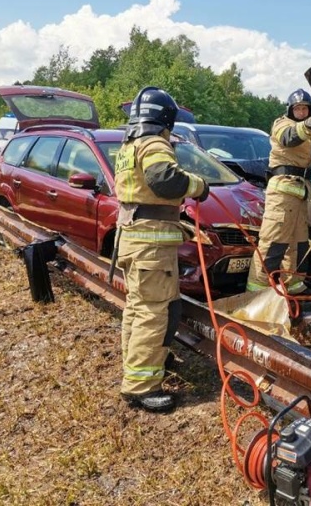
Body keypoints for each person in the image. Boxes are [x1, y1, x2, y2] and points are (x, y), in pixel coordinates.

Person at [113, 86, 210, 413]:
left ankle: (145, 361)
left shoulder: (129, 146)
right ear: (165, 119)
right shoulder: (155, 143)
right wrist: (197, 186)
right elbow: (164, 179)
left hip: (133, 239)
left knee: (139, 308)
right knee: (152, 312)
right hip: (149, 247)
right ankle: (140, 386)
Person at [246, 88, 311, 295]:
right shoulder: (282, 124)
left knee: (298, 244)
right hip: (283, 194)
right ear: (290, 109)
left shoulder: (310, 131)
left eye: (305, 108)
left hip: (300, 193)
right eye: (298, 108)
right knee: (273, 243)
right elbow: (291, 137)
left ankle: (294, 286)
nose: (302, 112)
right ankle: (256, 292)